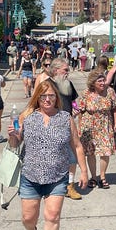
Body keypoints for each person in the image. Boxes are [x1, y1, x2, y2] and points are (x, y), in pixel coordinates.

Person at [7, 80, 88, 230]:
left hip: (57, 176)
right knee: (28, 217)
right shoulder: (27, 116)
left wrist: (84, 170)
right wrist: (13, 134)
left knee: (52, 216)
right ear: (37, 97)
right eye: (43, 96)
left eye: (51, 95)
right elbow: (15, 144)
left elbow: (76, 145)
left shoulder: (65, 118)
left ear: (56, 97)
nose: (47, 99)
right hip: (30, 175)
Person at [77, 70, 116, 189]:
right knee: (91, 152)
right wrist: (80, 127)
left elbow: (115, 108)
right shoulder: (86, 93)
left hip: (105, 125)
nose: (103, 83)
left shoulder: (110, 91)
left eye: (103, 80)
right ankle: (93, 177)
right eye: (99, 81)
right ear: (93, 82)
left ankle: (102, 177)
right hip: (89, 126)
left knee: (105, 151)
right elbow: (80, 111)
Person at [48, 58, 82, 200]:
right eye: (65, 70)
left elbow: (72, 100)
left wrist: (75, 108)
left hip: (69, 125)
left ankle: (70, 186)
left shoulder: (68, 84)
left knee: (72, 158)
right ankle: (51, 185)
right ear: (56, 70)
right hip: (52, 126)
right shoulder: (47, 85)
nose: (68, 72)